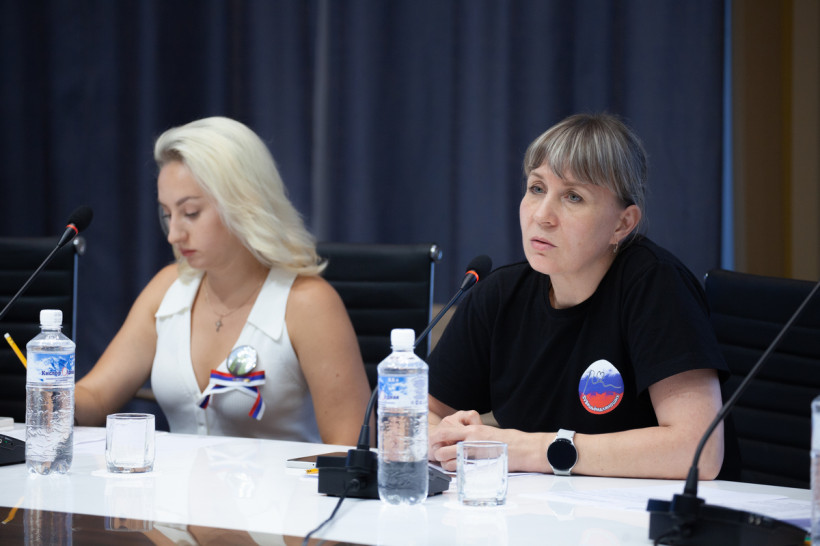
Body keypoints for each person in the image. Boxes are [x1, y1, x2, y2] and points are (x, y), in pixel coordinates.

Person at [427, 113, 728, 480]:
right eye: (537, 188)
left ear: (622, 224)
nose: (542, 215)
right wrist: (440, 438)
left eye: (573, 196)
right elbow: (417, 414)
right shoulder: (500, 294)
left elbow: (700, 451)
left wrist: (528, 449)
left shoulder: (656, 285)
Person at [75, 116, 372, 445]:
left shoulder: (308, 303)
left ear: (244, 204)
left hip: (284, 481)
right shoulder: (167, 288)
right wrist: (49, 398)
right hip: (175, 481)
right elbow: (96, 396)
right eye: (167, 214)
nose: (174, 234)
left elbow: (351, 448)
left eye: (190, 213)